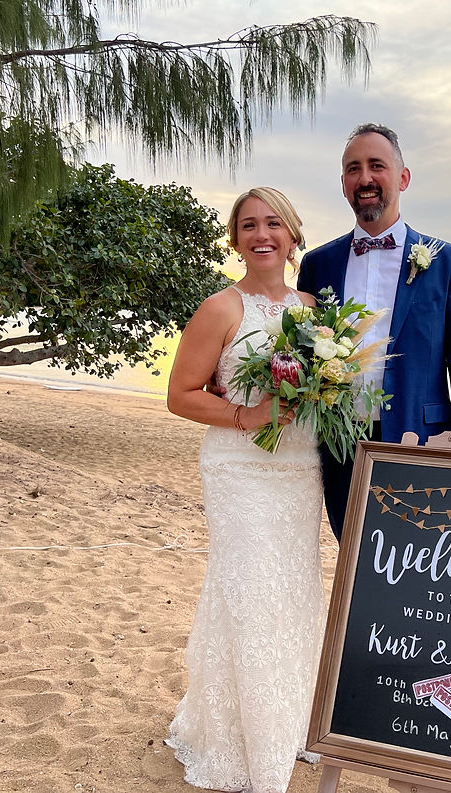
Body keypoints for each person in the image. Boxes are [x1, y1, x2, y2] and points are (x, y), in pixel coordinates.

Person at [164, 187, 324, 792]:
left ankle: (287, 722)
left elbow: (324, 388)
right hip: (240, 472)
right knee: (250, 593)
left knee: (293, 592)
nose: (263, 234)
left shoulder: (314, 309)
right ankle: (241, 740)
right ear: (236, 239)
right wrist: (249, 417)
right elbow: (180, 395)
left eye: (274, 224)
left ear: (292, 234)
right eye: (250, 225)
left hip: (298, 472)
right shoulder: (220, 308)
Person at [297, 123, 451, 541]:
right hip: (338, 445)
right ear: (344, 184)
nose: (364, 178)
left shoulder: (449, 263)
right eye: (353, 169)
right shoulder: (317, 265)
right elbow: (299, 351)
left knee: (414, 558)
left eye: (376, 166)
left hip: (420, 442)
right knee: (351, 551)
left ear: (402, 178)